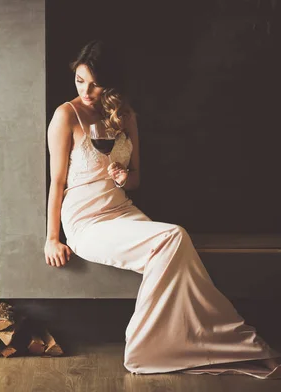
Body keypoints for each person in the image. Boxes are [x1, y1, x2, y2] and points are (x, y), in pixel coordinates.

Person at [44, 39, 281, 378]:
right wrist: (52, 238)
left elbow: (136, 179)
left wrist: (124, 176)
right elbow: (57, 183)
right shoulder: (66, 115)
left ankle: (218, 343)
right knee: (174, 237)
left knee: (174, 245)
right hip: (86, 221)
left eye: (95, 83)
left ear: (111, 82)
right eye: (81, 80)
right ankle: (166, 348)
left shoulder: (124, 113)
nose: (87, 90)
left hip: (122, 211)